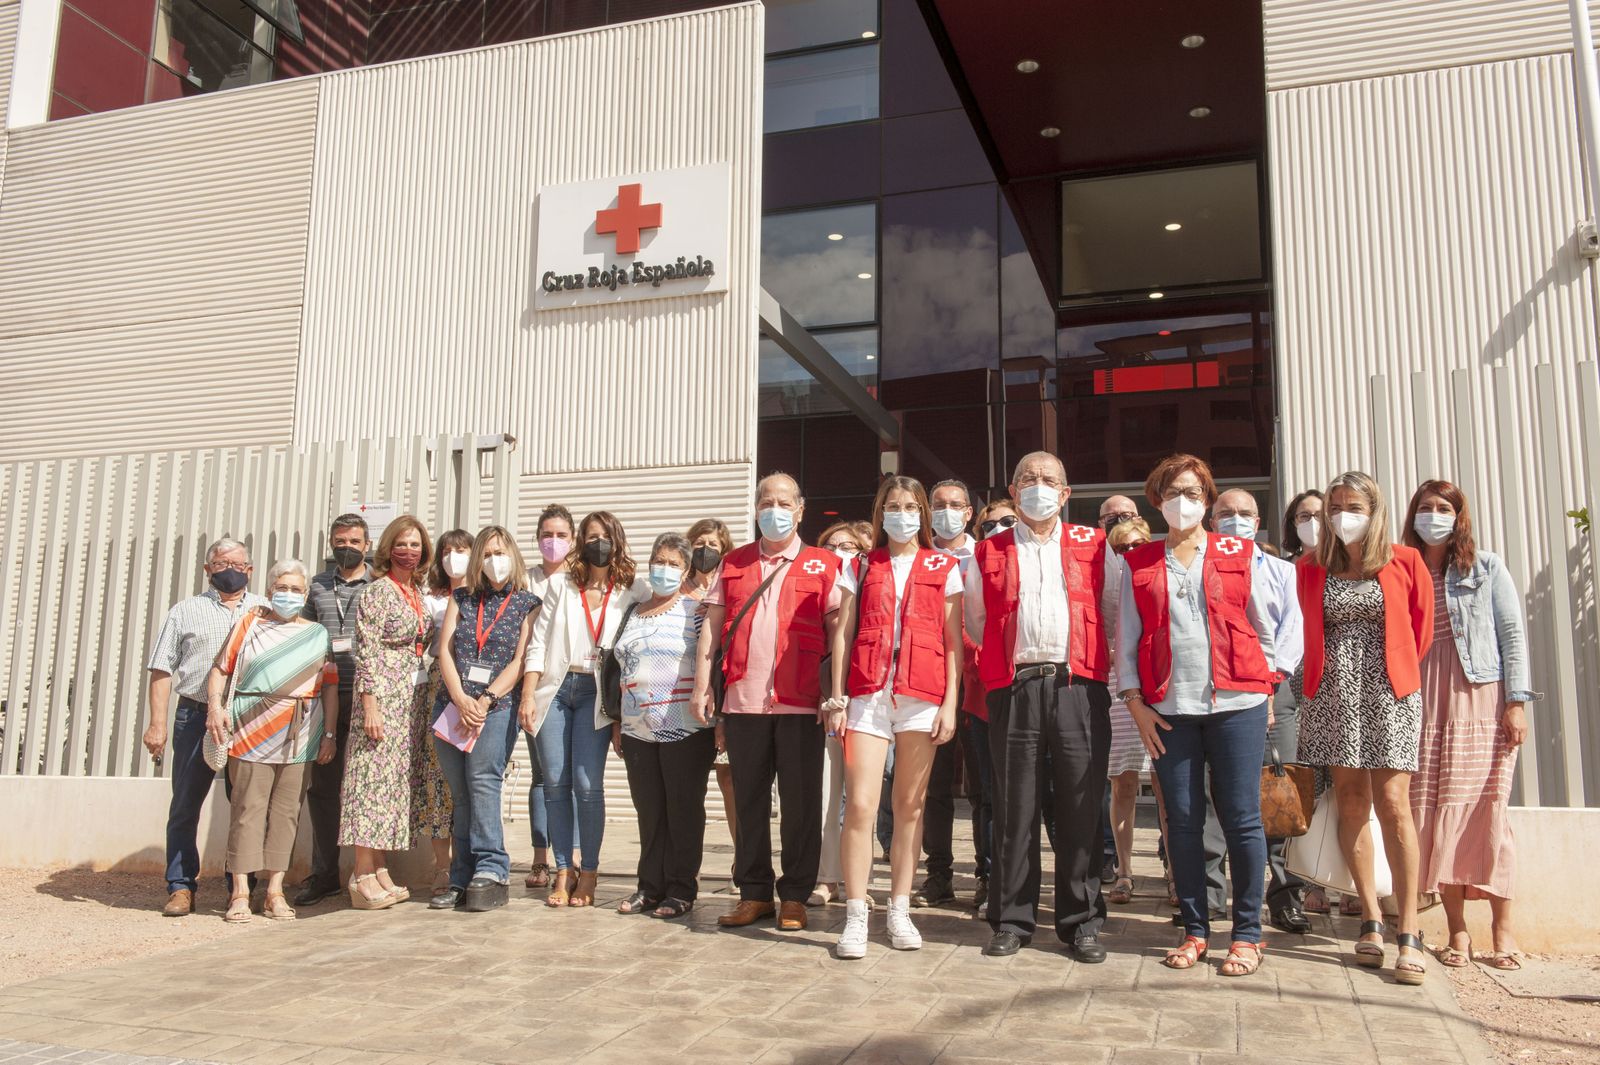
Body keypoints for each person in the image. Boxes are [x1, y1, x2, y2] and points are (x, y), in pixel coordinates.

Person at [1118, 456, 1277, 978]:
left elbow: (1265, 626)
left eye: (1191, 492)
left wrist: (1266, 686)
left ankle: (1247, 933)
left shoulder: (1240, 553)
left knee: (1241, 818)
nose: (1181, 501)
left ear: (1207, 500)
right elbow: (1127, 638)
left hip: (1237, 706)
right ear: (1156, 500)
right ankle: (1195, 928)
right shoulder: (1139, 560)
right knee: (1183, 823)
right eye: (1171, 492)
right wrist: (1136, 704)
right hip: (1169, 711)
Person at [968, 451, 1115, 963]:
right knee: (1015, 808)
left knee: (1080, 806)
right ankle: (1011, 920)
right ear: (1013, 492)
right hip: (1015, 688)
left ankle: (1082, 922)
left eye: (1049, 479)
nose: (1038, 485)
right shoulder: (987, 551)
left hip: (1078, 687)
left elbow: (1112, 610)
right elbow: (976, 620)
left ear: (1065, 493)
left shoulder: (1095, 545)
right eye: (1028, 478)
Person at [1296, 471, 1434, 985]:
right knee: (1351, 800)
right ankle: (1371, 918)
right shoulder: (1310, 566)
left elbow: (1420, 631)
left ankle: (1409, 928)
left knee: (1393, 802)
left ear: (1374, 510)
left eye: (1352, 507)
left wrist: (1389, 674)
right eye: (1334, 507)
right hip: (1333, 695)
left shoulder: (1406, 560)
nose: (1341, 516)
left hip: (1389, 692)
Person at [691, 472, 844, 932]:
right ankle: (754, 893)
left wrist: (836, 694)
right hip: (744, 703)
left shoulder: (824, 564)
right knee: (749, 802)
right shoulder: (733, 563)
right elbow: (712, 629)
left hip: (801, 703)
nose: (773, 510)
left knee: (800, 804)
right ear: (756, 509)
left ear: (800, 510)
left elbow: (838, 633)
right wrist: (703, 686)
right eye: (765, 502)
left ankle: (795, 895)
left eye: (783, 502)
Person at [827, 476, 964, 958]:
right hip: (868, 695)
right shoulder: (860, 564)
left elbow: (953, 641)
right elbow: (842, 634)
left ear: (922, 513)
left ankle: (899, 908)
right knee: (861, 806)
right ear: (880, 512)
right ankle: (856, 913)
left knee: (909, 806)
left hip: (922, 694)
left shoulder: (944, 565)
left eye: (909, 507)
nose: (901, 514)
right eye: (892, 506)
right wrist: (837, 698)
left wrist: (950, 703)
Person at [1403, 480, 1533, 971]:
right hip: (1421, 702)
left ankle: (1503, 930)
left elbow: (1512, 636)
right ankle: (1457, 931)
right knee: (1435, 811)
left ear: (1459, 516)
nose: (1433, 515)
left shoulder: (1486, 567)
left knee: (1485, 811)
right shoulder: (1404, 568)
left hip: (1479, 696)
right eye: (1425, 507)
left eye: (1444, 507)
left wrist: (1516, 702)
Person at [522, 510, 646, 907]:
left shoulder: (633, 589)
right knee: (555, 783)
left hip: (598, 695)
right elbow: (538, 642)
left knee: (587, 785)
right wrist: (528, 694)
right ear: (581, 542)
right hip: (557, 688)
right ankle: (564, 869)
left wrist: (623, 714)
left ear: (617, 541)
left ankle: (589, 870)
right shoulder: (561, 585)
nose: (598, 544)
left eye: (605, 536)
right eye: (591, 537)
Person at [204, 560, 339, 923]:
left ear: (305, 595)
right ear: (268, 591)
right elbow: (220, 670)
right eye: (282, 588)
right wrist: (214, 708)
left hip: (301, 733)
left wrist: (329, 734)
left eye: (296, 589)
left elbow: (329, 687)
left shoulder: (318, 634)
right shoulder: (248, 625)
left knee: (287, 812)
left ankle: (275, 891)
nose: (289, 595)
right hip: (251, 728)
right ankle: (240, 892)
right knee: (247, 809)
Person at [144, 538, 268, 916]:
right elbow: (161, 669)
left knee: (245, 805)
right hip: (196, 717)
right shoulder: (185, 611)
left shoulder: (265, 610)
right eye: (221, 563)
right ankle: (181, 886)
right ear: (207, 569)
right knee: (185, 804)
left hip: (248, 717)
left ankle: (241, 887)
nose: (230, 570)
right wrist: (157, 724)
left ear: (250, 570)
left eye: (238, 564)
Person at [1212, 488, 1308, 934]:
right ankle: (1211, 896)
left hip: (1272, 690)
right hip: (1215, 692)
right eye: (1226, 513)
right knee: (1213, 798)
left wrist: (1269, 683)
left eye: (1244, 513)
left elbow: (1292, 627)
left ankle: (1285, 896)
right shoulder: (1201, 566)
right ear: (1213, 522)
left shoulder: (1282, 571)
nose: (1235, 520)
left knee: (1277, 791)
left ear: (1258, 521)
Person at [612, 533, 718, 919]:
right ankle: (649, 887)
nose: (665, 569)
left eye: (674, 564)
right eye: (659, 561)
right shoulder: (632, 611)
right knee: (650, 811)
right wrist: (616, 721)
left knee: (683, 810)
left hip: (685, 727)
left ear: (686, 570)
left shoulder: (697, 610)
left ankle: (681, 888)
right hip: (637, 729)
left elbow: (712, 660)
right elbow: (618, 667)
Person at [433, 526, 537, 911]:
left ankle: (492, 868)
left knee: (483, 784)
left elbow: (521, 659)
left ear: (513, 556)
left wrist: (486, 699)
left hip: (496, 709)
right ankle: (461, 876)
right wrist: (461, 698)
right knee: (460, 795)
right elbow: (444, 650)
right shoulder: (461, 598)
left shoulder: (527, 602)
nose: (495, 561)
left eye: (501, 553)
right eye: (488, 553)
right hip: (452, 706)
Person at [341, 515, 435, 909]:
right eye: (402, 544)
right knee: (369, 782)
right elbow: (367, 651)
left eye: (415, 544)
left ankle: (380, 866)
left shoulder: (416, 592)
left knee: (391, 786)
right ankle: (361, 872)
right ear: (388, 548)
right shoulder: (377, 592)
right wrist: (370, 705)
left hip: (408, 701)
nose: (409, 551)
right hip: (380, 697)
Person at [293, 514, 372, 907]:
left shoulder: (380, 585)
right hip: (326, 695)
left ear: (367, 545)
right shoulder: (317, 586)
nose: (347, 548)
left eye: (355, 541)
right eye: (340, 541)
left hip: (368, 697)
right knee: (324, 789)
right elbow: (302, 633)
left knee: (367, 787)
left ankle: (369, 873)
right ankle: (325, 874)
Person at [912, 479, 979, 910]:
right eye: (939, 505)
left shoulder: (985, 555)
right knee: (933, 787)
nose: (947, 511)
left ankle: (987, 875)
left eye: (956, 505)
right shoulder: (919, 557)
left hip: (980, 682)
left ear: (969, 513)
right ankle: (938, 875)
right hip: (930, 682)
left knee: (983, 786)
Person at [810, 519, 870, 907]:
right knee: (828, 795)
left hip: (869, 699)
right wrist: (827, 696)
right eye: (831, 546)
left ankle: (858, 882)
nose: (839, 552)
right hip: (828, 701)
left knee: (864, 797)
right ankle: (827, 877)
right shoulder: (813, 589)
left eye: (847, 546)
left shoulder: (875, 584)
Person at [1102, 515, 1153, 907]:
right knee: (1123, 782)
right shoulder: (1106, 585)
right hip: (1115, 684)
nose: (1129, 552)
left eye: (1137, 545)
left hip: (1156, 684)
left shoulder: (1158, 577)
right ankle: (1124, 871)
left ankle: (1175, 874)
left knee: (1167, 785)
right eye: (1121, 547)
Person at [523, 504, 574, 889]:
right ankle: (541, 859)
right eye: (547, 534)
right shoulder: (525, 580)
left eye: (561, 535)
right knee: (543, 774)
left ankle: (572, 858)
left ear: (573, 540)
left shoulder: (578, 579)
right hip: (532, 687)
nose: (553, 542)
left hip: (572, 686)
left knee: (574, 776)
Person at [418, 528, 472, 893]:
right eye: (448, 551)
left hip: (476, 686)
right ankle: (443, 865)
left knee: (474, 777)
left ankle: (473, 858)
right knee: (438, 776)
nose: (454, 557)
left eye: (462, 550)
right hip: (438, 684)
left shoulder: (483, 596)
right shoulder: (429, 599)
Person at [687, 517, 738, 886]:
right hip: (681, 700)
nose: (705, 551)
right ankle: (685, 866)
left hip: (723, 699)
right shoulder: (676, 588)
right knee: (689, 787)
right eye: (699, 544)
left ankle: (742, 859)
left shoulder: (730, 588)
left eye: (713, 545)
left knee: (730, 781)